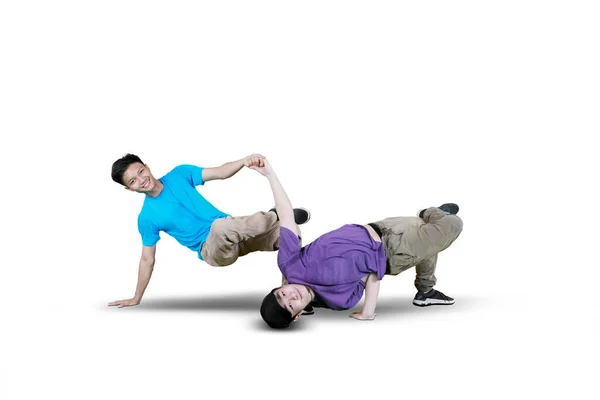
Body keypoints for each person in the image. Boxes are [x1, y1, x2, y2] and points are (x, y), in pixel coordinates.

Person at [251, 159, 463, 329]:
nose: (291, 295)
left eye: (282, 294)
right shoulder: (339, 300)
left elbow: (287, 216)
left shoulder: (289, 266)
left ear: (280, 287)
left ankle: (425, 292)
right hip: (394, 251)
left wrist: (270, 175)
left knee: (428, 239)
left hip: (380, 226)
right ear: (297, 316)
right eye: (290, 305)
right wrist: (368, 311)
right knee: (452, 224)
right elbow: (370, 273)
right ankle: (434, 213)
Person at [108, 153, 310, 308]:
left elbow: (220, 172)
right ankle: (278, 215)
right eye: (133, 181)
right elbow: (147, 260)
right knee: (221, 226)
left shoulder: (179, 174)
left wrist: (244, 161)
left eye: (140, 172)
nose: (141, 179)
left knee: (291, 234)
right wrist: (136, 297)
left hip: (236, 232)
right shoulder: (147, 218)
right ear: (130, 189)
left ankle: (292, 289)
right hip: (213, 250)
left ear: (147, 167)